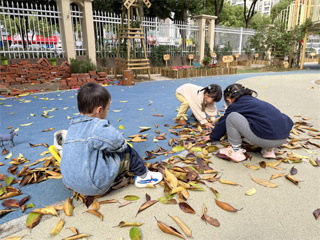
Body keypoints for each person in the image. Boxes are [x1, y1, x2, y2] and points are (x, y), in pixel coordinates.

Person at [59, 82, 163, 196]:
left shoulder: (72, 127)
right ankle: (144, 176)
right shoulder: (97, 126)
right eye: (107, 109)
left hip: (71, 183)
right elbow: (118, 142)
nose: (107, 111)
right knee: (126, 150)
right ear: (99, 110)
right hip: (95, 185)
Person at [202, 83, 293, 162]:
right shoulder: (256, 102)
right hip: (282, 138)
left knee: (232, 117)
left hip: (265, 139)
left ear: (229, 100)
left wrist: (213, 136)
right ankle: (268, 150)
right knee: (269, 120)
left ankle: (235, 151)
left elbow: (223, 122)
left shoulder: (235, 105)